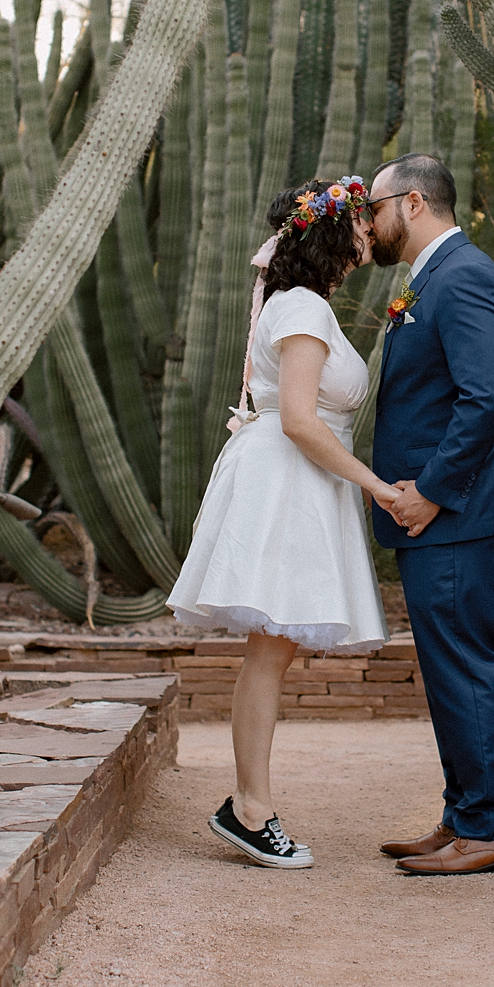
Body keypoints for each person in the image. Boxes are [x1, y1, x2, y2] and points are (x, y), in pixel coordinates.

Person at [171, 175, 395, 870]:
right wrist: (375, 486)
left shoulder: (298, 301)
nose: (368, 232)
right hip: (288, 479)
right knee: (269, 651)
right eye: (359, 221)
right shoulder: (300, 305)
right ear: (334, 232)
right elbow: (299, 418)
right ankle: (249, 808)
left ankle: (248, 803)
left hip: (293, 478)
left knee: (270, 650)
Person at [365, 152, 494, 876]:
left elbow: (486, 397)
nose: (368, 223)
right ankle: (466, 812)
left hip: (459, 513)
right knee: (448, 666)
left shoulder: (462, 277)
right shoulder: (432, 277)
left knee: (464, 664)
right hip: (443, 516)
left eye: (374, 207)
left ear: (409, 203)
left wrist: (429, 490)